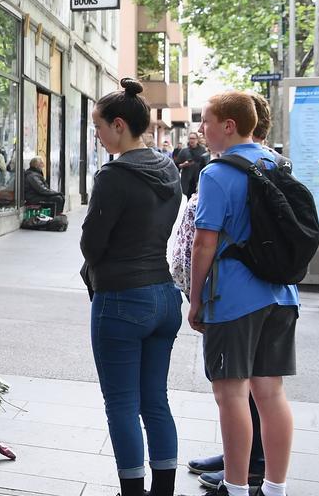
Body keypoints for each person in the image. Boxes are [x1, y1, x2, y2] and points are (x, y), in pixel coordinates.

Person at [190, 91, 300, 496]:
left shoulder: (216, 174)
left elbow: (204, 243)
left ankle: (234, 488)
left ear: (229, 126)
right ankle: (274, 488)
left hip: (234, 297)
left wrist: (196, 297)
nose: (202, 129)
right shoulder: (279, 163)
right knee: (270, 392)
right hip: (282, 295)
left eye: (207, 121)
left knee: (231, 393)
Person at [80, 79, 183, 496]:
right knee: (154, 401)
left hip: (122, 298)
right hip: (163, 296)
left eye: (100, 127)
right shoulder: (168, 168)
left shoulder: (114, 175)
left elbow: (91, 243)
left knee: (121, 403)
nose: (98, 136)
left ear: (119, 125)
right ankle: (163, 490)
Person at [175, 132, 211, 198]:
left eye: (193, 138)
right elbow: (177, 165)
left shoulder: (203, 151)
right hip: (188, 181)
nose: (192, 140)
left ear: (197, 139)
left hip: (199, 180)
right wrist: (184, 164)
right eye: (190, 138)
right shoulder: (184, 151)